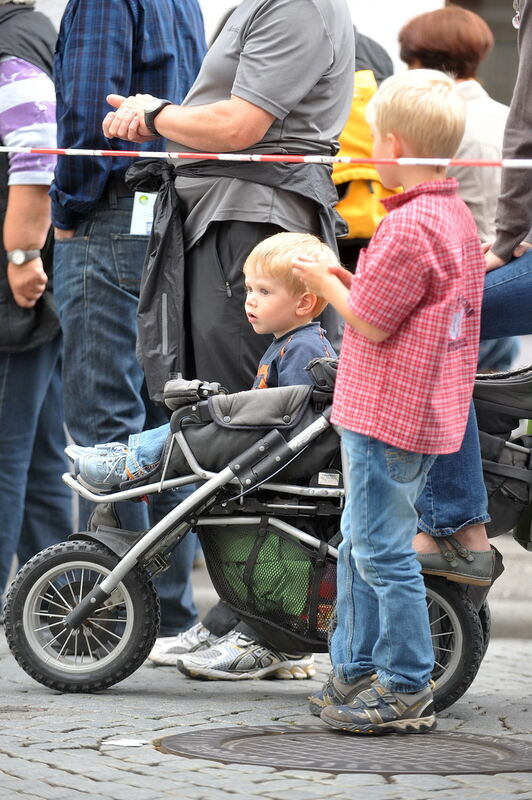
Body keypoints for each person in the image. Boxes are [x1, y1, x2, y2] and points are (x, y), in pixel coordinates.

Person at [101, 0, 354, 670]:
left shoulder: (296, 7)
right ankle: (233, 616)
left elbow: (240, 124)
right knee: (226, 423)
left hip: (250, 215)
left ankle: (272, 632)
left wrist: (155, 114)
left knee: (256, 433)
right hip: (229, 213)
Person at [293, 69, 485, 735]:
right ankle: (354, 668)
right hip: (416, 410)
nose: (367, 149)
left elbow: (371, 324)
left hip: (386, 415)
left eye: (373, 138)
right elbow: (403, 306)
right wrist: (353, 280)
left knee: (379, 552)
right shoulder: (451, 216)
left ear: (396, 145)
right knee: (360, 543)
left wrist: (324, 279)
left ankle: (403, 684)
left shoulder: (408, 228)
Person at [67, 231, 337, 678]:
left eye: (264, 291)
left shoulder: (306, 349)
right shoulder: (286, 341)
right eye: (249, 289)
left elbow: (288, 415)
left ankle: (127, 462)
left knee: (187, 426)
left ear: (305, 302)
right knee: (192, 420)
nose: (250, 300)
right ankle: (128, 457)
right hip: (263, 454)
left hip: (272, 461)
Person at [49, 0, 207, 642]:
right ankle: (167, 614)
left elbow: (89, 115)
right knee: (165, 426)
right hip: (169, 210)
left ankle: (116, 619)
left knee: (104, 428)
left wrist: (67, 210)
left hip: (111, 213)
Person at [399, 4, 519, 373]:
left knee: (455, 409)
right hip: (504, 273)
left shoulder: (437, 126)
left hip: (459, 286)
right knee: (497, 406)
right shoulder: (504, 116)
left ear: (421, 61)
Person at [0, 0, 72, 605]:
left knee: (7, 458)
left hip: (15, 279)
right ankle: (61, 608)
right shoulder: (30, 31)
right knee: (41, 458)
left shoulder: (13, 42)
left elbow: (36, 147)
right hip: (26, 276)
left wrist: (22, 255)